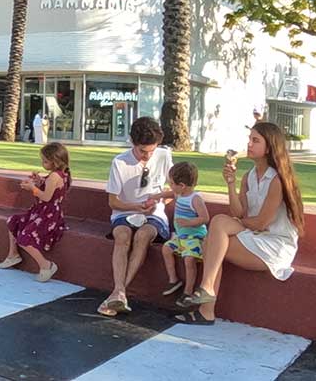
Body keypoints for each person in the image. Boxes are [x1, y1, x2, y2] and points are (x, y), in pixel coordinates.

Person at [177, 122, 304, 325]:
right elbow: (238, 212)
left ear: (269, 147)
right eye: (249, 139)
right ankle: (206, 297)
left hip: (274, 244)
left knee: (214, 241)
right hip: (254, 236)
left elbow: (262, 223)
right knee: (218, 225)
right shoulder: (249, 176)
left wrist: (237, 223)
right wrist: (230, 183)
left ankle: (206, 305)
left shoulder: (277, 180)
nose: (249, 144)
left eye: (256, 140)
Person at [98, 116, 173, 317]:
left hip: (153, 214)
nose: (147, 156)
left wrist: (157, 201)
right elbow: (113, 202)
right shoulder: (119, 162)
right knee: (122, 236)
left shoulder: (164, 156)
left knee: (143, 236)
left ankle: (119, 292)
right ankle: (119, 292)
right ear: (132, 142)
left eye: (151, 150)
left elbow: (174, 191)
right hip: (125, 211)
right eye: (142, 151)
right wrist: (136, 207)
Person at [0, 142, 72, 282]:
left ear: (55, 161)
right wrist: (39, 181)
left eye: (45, 161)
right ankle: (13, 254)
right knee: (13, 221)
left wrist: (32, 188)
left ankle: (46, 265)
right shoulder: (56, 175)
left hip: (48, 216)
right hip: (40, 212)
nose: (43, 164)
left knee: (25, 238)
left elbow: (46, 197)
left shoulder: (55, 176)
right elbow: (49, 188)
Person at [160, 162, 209, 308]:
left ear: (181, 185)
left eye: (172, 183)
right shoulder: (179, 193)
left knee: (189, 259)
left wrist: (189, 223)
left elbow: (205, 218)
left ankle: (188, 291)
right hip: (181, 237)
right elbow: (170, 193)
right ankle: (173, 279)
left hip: (195, 237)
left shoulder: (195, 199)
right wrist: (157, 196)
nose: (170, 186)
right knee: (166, 248)